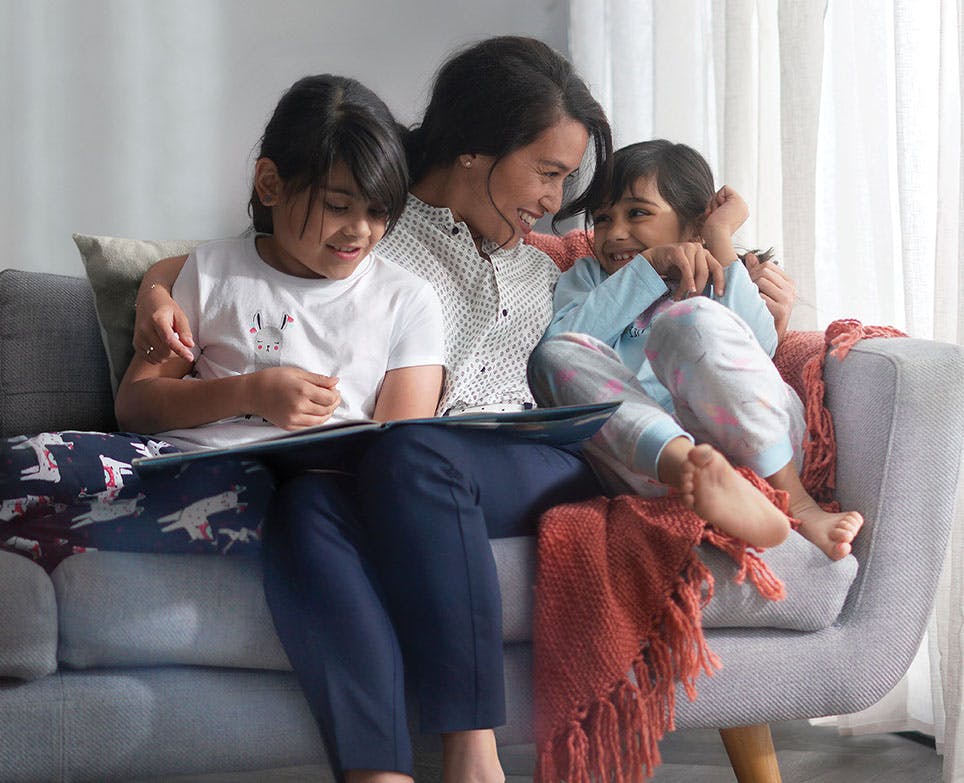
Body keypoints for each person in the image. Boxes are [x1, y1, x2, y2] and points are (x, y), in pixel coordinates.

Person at [132, 35, 612, 783]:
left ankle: (473, 754)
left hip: (509, 457)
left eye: (563, 181)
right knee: (308, 511)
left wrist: (710, 258)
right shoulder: (384, 237)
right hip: (406, 471)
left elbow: (625, 279)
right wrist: (158, 291)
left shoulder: (528, 258)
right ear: (476, 152)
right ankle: (376, 772)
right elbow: (238, 267)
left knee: (407, 451)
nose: (554, 201)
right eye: (548, 173)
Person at [0, 75, 443, 575]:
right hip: (173, 459)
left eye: (378, 211)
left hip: (298, 491)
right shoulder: (213, 272)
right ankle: (70, 539)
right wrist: (250, 393)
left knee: (263, 503)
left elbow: (400, 453)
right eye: (338, 206)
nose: (360, 231)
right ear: (271, 184)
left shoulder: (407, 300)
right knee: (22, 459)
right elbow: (135, 407)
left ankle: (68, 540)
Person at [528, 139, 863, 559]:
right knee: (554, 355)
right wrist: (646, 270)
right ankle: (700, 479)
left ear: (691, 224)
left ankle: (797, 503)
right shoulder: (590, 279)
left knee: (686, 320)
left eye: (637, 213)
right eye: (602, 218)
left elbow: (758, 349)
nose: (614, 232)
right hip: (652, 461)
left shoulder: (718, 270)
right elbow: (569, 344)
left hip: (756, 444)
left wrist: (718, 237)